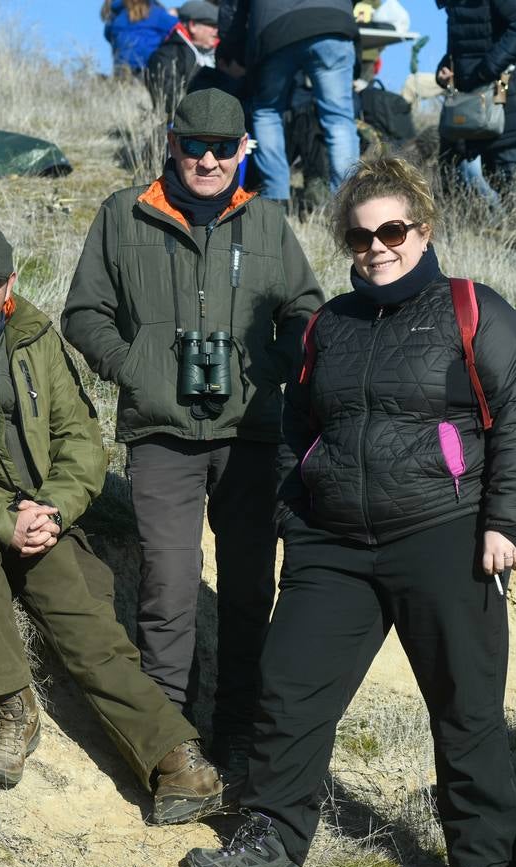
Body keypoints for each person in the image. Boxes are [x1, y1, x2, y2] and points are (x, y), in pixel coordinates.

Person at [184, 155, 516, 867]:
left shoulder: (476, 309)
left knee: (464, 704)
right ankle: (274, 839)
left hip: (444, 530)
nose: (376, 247)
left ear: (424, 229)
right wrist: (295, 513)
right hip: (333, 543)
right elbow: (297, 424)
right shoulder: (328, 327)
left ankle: (482, 863)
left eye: (392, 230)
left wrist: (502, 521)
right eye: (359, 236)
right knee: (288, 689)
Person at [0, 219, 224, 821]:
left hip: (38, 510)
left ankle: (175, 758)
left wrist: (55, 507)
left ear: (11, 283)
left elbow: (81, 438)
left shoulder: (37, 339)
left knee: (80, 607)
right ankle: (12, 709)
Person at [62, 89, 324, 779]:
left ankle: (237, 730)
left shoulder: (268, 222)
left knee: (245, 592)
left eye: (221, 147)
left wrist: (263, 368)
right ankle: (169, 740)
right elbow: (85, 313)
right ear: (170, 144)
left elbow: (308, 314)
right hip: (162, 436)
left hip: (251, 437)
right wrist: (138, 366)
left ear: (245, 151)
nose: (206, 159)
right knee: (168, 591)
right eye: (193, 145)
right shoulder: (124, 214)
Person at [218, 0, 359, 204]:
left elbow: (234, 11)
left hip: (274, 30)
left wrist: (234, 52)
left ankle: (275, 198)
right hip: (332, 23)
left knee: (267, 112)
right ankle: (346, 202)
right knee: (339, 119)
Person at [436, 0, 516, 248]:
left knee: (511, 175)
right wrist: (445, 68)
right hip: (476, 102)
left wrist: (486, 69)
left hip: (507, 97)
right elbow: (462, 44)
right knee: (494, 175)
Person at [146, 0, 220, 116]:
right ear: (192, 26)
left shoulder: (217, 54)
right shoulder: (166, 57)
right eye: (212, 25)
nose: (216, 32)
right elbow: (169, 101)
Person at [104, 0, 179, 74]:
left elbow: (108, 35)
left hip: (120, 68)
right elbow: (177, 27)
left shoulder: (117, 15)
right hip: (147, 69)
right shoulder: (156, 14)